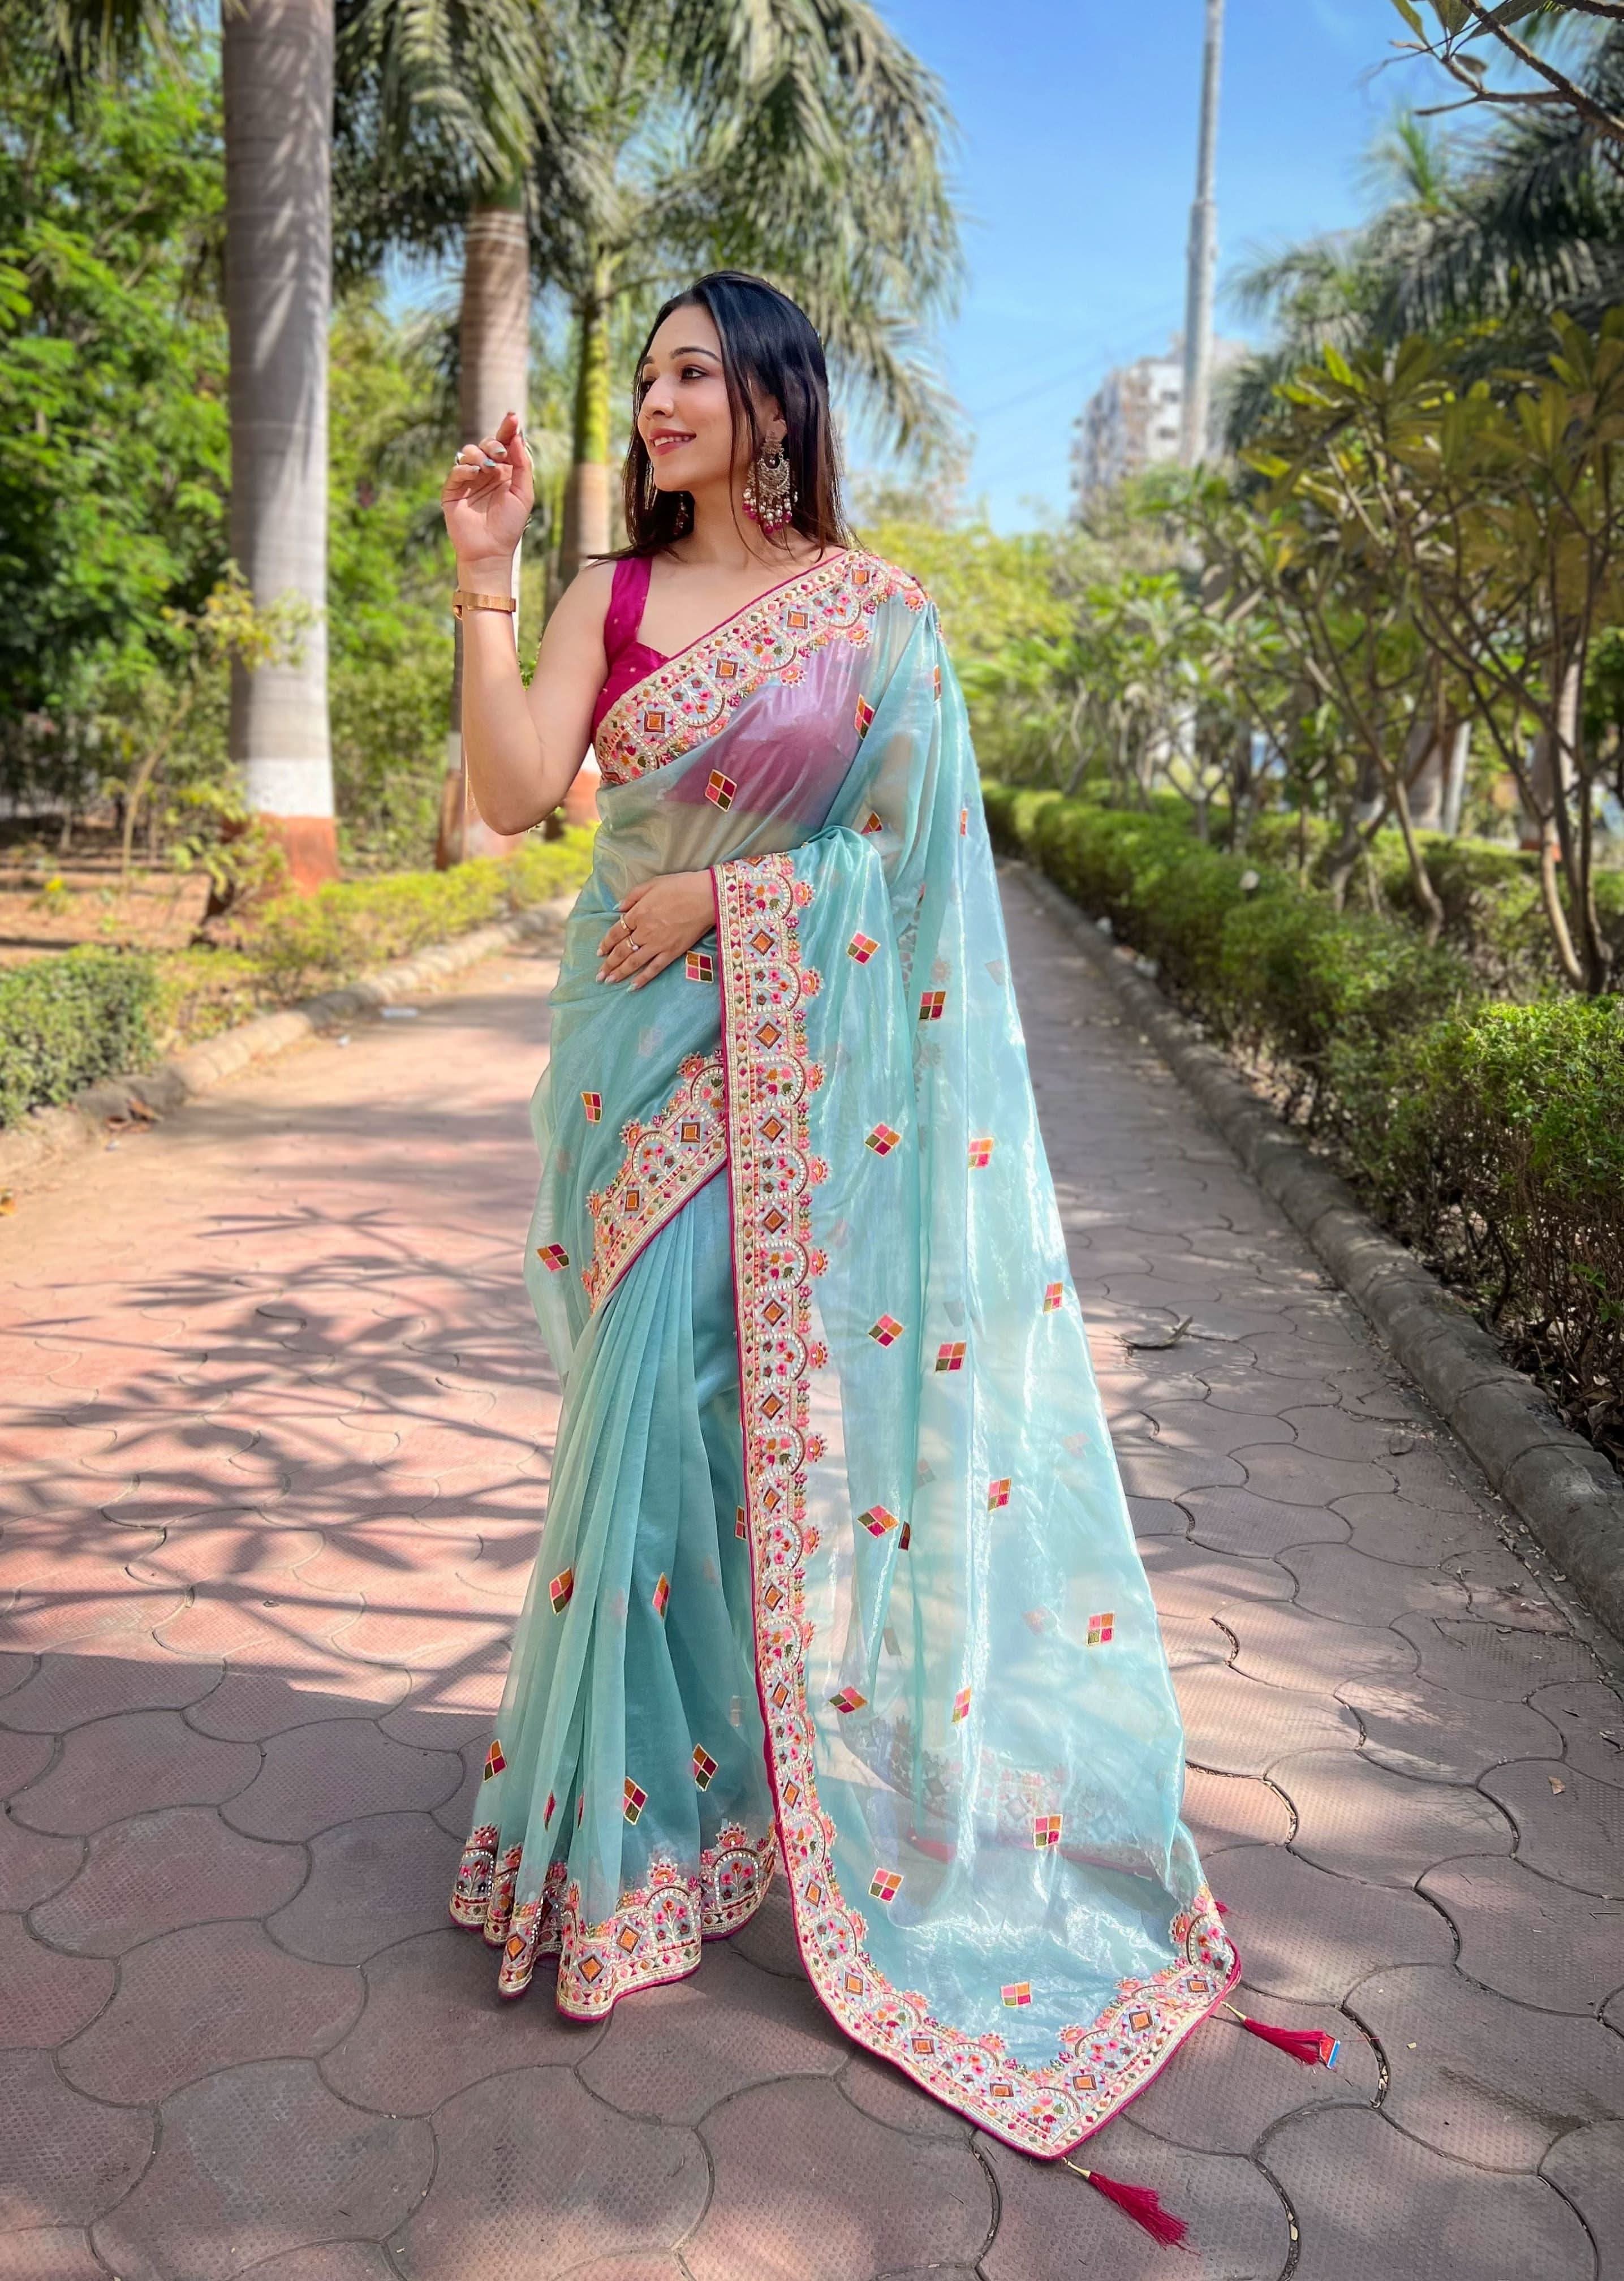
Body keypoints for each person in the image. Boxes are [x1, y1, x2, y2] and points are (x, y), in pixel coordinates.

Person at [439, 269, 1239, 2178]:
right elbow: (520, 792)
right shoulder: (609, 595)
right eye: (649, 377)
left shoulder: (876, 617)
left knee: (677, 1406)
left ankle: (636, 1827)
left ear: (778, 404)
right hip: (624, 1061)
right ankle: (671, 1805)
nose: (659, 403)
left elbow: (911, 870)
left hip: (770, 1057)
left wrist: (734, 908)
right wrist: (483, 573)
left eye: (695, 374)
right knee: (652, 1413)